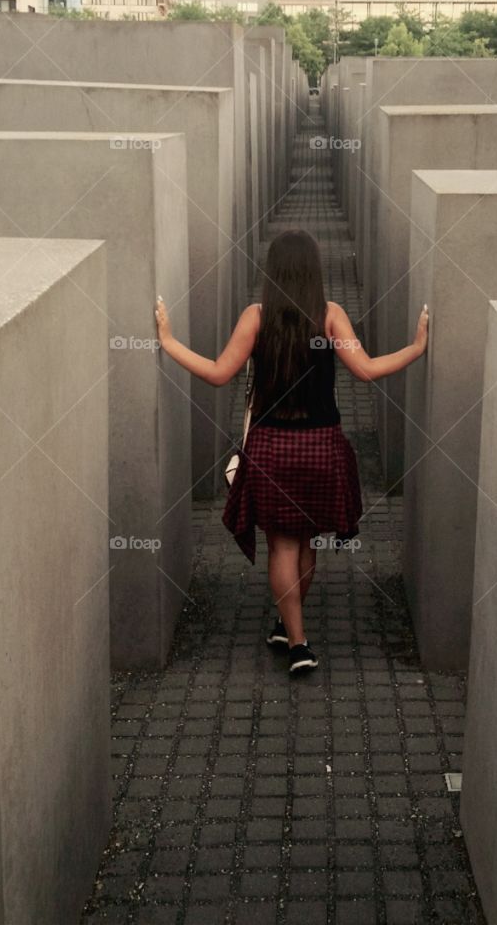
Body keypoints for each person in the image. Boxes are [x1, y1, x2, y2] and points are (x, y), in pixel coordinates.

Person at [155, 228, 428, 677]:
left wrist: (168, 342)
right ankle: (289, 626)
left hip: (271, 448)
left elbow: (220, 373)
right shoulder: (331, 315)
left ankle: (297, 641)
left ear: (273, 272)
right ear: (314, 271)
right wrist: (416, 348)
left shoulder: (256, 317)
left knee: (281, 545)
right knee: (307, 543)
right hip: (321, 446)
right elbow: (366, 370)